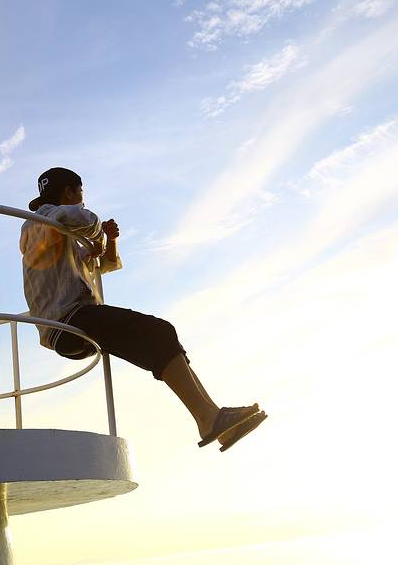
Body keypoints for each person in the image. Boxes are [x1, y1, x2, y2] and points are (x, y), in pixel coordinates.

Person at [20, 167, 266, 452]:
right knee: (158, 332)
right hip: (69, 321)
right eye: (81, 194)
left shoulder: (56, 236)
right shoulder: (43, 219)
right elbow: (81, 218)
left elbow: (102, 265)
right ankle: (209, 420)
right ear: (69, 192)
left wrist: (107, 242)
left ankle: (214, 420)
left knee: (160, 336)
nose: (83, 200)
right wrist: (98, 231)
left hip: (71, 323)